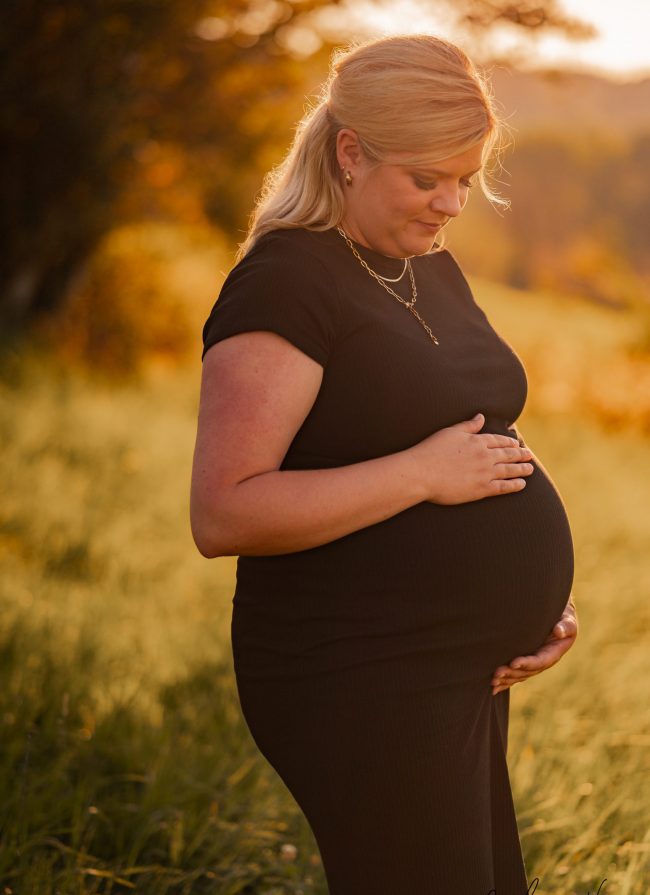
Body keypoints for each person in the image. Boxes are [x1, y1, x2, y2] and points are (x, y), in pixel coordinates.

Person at [190, 33, 578, 895]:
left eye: (465, 180)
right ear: (351, 152)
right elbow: (223, 512)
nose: (451, 204)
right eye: (426, 178)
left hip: (451, 668)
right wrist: (423, 475)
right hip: (357, 672)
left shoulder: (426, 268)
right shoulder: (285, 284)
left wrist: (542, 601)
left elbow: (480, 434)